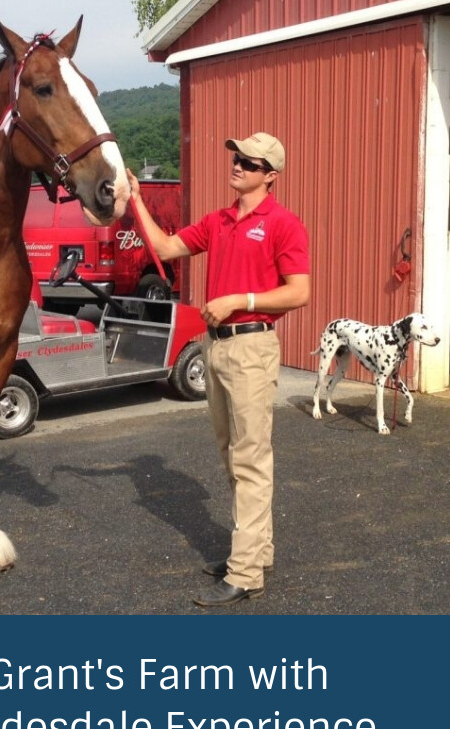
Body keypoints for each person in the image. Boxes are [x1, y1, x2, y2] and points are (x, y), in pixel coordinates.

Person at [126, 132, 311, 607]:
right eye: (236, 157)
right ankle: (254, 552)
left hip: (252, 347)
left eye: (249, 162)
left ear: (270, 175)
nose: (238, 165)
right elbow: (166, 249)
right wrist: (136, 200)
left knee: (251, 460)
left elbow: (298, 292)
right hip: (217, 348)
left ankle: (246, 573)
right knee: (233, 456)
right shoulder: (220, 220)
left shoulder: (284, 224)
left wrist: (240, 300)